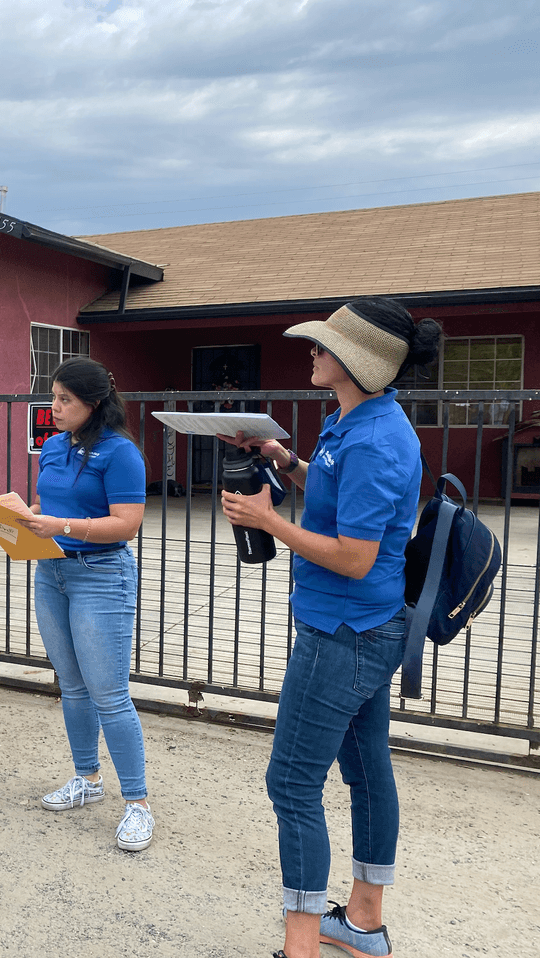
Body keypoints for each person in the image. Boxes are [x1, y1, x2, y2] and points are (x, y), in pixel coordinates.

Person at [219, 298, 441, 958]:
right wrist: (286, 462)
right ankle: (364, 925)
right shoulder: (359, 420)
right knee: (367, 772)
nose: (310, 352)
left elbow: (354, 554)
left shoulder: (374, 438)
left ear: (357, 360)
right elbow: (339, 495)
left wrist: (270, 522)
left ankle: (301, 946)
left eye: (322, 345)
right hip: (365, 627)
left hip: (341, 632)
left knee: (290, 782)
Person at [16, 357, 154, 852]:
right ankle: (87, 779)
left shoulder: (121, 454)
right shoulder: (53, 447)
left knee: (108, 693)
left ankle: (137, 805)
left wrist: (64, 527)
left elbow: (126, 524)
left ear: (92, 404)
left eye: (63, 400)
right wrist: (20, 518)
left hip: (101, 576)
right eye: (53, 397)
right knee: (72, 687)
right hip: (51, 572)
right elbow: (46, 507)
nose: (53, 408)